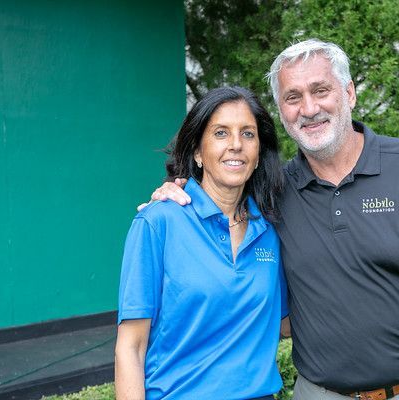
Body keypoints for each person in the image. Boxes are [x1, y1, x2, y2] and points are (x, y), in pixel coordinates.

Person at [148, 40, 399, 400]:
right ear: (281, 111)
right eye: (293, 97)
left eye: (320, 90)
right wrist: (175, 194)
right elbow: (218, 194)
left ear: (349, 93)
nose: (309, 109)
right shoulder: (271, 193)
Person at [115, 86, 288, 400]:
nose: (236, 145)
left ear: (258, 153)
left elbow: (285, 323)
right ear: (197, 152)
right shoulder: (158, 222)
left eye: (248, 134)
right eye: (221, 133)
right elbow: (131, 347)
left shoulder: (270, 230)